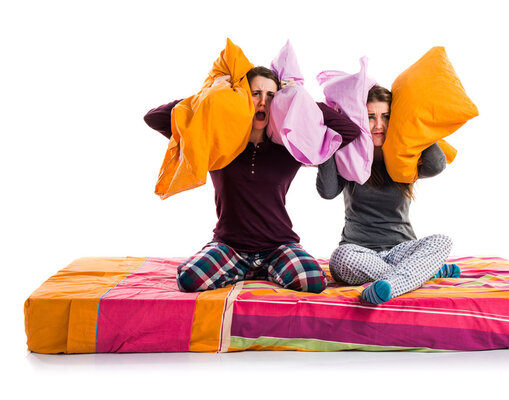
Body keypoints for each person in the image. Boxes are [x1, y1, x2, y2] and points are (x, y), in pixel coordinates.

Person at [144, 66, 361, 294]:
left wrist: (297, 100)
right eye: (256, 93)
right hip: (230, 245)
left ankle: (260, 269)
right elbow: (155, 118)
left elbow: (348, 131)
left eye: (271, 96)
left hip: (278, 245)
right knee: (189, 280)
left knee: (313, 281)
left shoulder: (289, 146)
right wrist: (217, 93)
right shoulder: (218, 142)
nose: (263, 102)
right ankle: (249, 270)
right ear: (243, 97)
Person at [316, 85, 460, 304]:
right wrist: (330, 137)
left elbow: (437, 164)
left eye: (385, 116)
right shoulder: (350, 157)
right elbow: (327, 192)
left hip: (402, 249)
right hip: (359, 254)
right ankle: (421, 273)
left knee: (442, 241)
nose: (378, 125)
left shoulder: (404, 157)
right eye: (371, 117)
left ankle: (395, 282)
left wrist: (410, 120)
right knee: (339, 258)